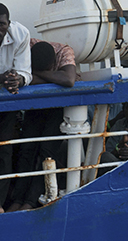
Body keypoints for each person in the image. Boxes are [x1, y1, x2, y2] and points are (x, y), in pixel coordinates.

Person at [7, 39, 76, 212]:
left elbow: (68, 80)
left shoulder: (64, 52)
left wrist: (34, 74)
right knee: (27, 149)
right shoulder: (25, 45)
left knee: (46, 153)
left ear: (54, 64)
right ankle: (17, 200)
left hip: (57, 106)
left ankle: (30, 201)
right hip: (35, 104)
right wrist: (51, 77)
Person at [0, 3, 30, 213]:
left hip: (6, 102)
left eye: (1, 24)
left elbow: (25, 71)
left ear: (8, 24)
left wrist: (17, 79)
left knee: (4, 151)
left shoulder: (20, 34)